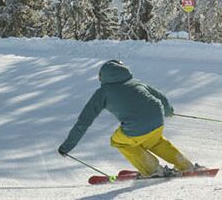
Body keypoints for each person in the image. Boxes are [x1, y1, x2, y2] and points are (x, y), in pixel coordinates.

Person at [57, 59, 195, 177]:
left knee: (118, 141)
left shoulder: (103, 93)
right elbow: (161, 98)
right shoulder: (136, 83)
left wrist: (66, 147)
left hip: (136, 126)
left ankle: (153, 170)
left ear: (103, 77)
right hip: (157, 121)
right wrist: (168, 111)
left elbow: (83, 122)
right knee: (155, 142)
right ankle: (186, 166)